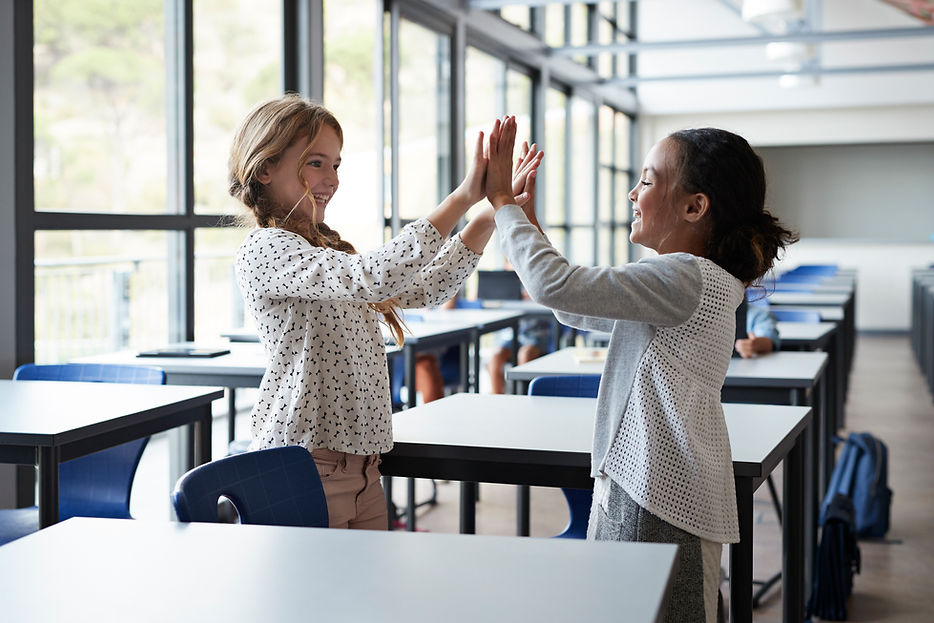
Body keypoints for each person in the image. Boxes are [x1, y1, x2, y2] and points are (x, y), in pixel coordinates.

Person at [485, 117, 797, 623]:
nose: (633, 192)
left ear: (696, 207)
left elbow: (556, 288)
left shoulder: (683, 277)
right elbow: (571, 305)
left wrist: (502, 204)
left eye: (648, 180)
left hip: (657, 489)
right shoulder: (685, 280)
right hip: (645, 480)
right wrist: (524, 220)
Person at [230, 95, 541, 530]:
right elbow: (372, 276)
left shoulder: (325, 251)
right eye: (316, 162)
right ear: (265, 168)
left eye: (336, 165)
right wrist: (463, 195)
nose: (331, 179)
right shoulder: (266, 249)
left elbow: (428, 288)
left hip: (364, 472)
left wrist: (489, 212)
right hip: (301, 468)